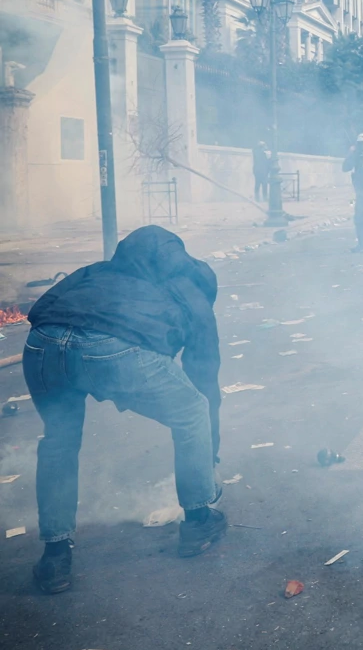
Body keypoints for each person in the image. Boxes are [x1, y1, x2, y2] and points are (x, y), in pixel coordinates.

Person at [22, 226, 226, 594]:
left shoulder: (100, 271)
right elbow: (204, 376)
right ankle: (198, 521)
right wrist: (208, 453)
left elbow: (45, 308)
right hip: (110, 350)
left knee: (59, 441)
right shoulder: (189, 288)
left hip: (43, 345)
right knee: (193, 410)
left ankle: (55, 558)